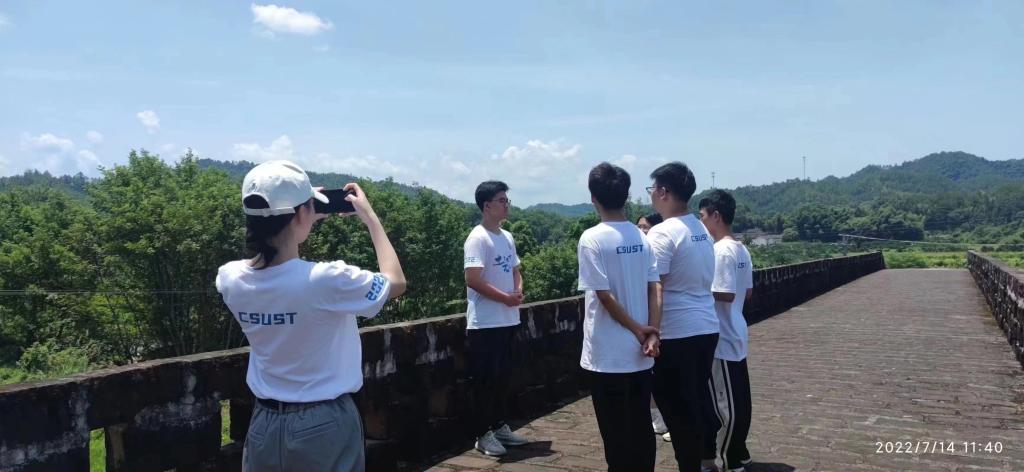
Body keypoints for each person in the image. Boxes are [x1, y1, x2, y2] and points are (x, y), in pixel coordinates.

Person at [215, 160, 407, 472]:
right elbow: (395, 282)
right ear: (301, 214)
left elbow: (274, 265)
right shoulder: (325, 280)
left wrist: (301, 210)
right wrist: (370, 218)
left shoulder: (230, 278)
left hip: (264, 422)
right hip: (324, 423)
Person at [577, 163, 662, 471]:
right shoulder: (642, 237)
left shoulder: (592, 239)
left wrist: (639, 329)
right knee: (640, 427)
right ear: (626, 196)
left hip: (608, 354)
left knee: (615, 435)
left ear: (593, 198)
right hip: (640, 353)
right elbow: (655, 287)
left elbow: (603, 295)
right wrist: (652, 332)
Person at [645, 162, 721, 472]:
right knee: (697, 398)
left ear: (663, 192)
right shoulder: (700, 229)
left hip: (677, 331)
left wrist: (651, 330)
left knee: (677, 409)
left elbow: (655, 286)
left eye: (652, 189)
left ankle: (691, 466)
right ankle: (706, 460)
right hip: (706, 326)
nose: (651, 195)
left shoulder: (663, 233)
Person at [464, 180, 530, 456]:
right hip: (485, 322)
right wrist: (505, 298)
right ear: (486, 206)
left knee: (503, 378)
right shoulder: (478, 238)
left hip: (508, 318)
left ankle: (499, 425)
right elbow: (472, 279)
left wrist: (517, 290)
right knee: (485, 381)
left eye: (506, 200)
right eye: (501, 200)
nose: (506, 205)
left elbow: (515, 270)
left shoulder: (507, 237)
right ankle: (482, 434)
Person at [699, 190, 754, 472]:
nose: (701, 222)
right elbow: (748, 292)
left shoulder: (720, 250)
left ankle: (726, 459)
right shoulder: (741, 248)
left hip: (722, 337)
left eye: (703, 216)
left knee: (726, 404)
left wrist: (696, 290)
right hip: (736, 330)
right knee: (739, 399)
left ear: (716, 216)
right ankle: (739, 451)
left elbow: (725, 293)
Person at [637, 212, 669, 436]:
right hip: (648, 323)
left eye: (645, 227)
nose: (641, 231)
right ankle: (657, 417)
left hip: (659, 323)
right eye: (639, 226)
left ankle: (662, 418)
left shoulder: (656, 251)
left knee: (660, 374)